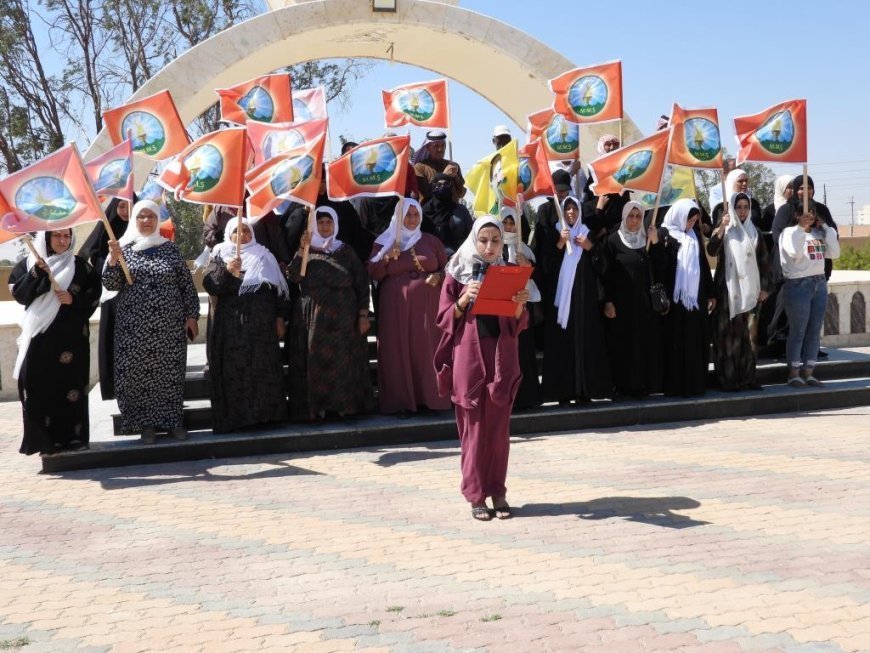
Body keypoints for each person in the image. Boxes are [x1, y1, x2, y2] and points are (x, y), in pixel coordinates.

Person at [434, 216, 530, 521]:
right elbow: (443, 319)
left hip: (501, 357)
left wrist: (519, 305)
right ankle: (475, 495)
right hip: (469, 358)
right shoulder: (456, 273)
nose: (489, 247)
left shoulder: (508, 273)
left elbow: (518, 325)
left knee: (499, 432)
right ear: (474, 240)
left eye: (495, 241)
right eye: (484, 240)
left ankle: (497, 491)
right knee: (473, 430)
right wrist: (464, 299)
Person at [103, 200, 201, 443]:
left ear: (158, 220)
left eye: (151, 217)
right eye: (141, 217)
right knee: (137, 375)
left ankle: (172, 422)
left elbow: (186, 286)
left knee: (169, 373)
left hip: (169, 327)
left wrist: (192, 316)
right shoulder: (123, 249)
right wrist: (113, 260)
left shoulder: (171, 249)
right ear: (134, 220)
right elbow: (111, 284)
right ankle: (145, 425)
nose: (146, 221)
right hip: (133, 328)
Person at [10, 229, 100, 455]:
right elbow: (19, 294)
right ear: (47, 238)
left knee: (71, 388)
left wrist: (73, 299)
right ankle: (44, 442)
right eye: (57, 236)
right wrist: (36, 274)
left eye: (66, 236)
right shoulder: (30, 264)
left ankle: (72, 439)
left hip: (72, 341)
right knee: (36, 385)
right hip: (40, 338)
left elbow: (94, 295)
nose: (62, 241)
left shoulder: (80, 267)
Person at [203, 217, 290, 432]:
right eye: (236, 232)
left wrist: (280, 318)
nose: (242, 236)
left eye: (246, 231)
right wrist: (229, 271)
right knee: (234, 371)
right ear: (229, 234)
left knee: (262, 369)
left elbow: (280, 292)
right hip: (230, 326)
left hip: (261, 327)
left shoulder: (264, 255)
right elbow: (211, 285)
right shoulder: (219, 254)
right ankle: (236, 419)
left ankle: (265, 417)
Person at [286, 207, 373, 420]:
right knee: (315, 363)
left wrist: (363, 315)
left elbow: (362, 284)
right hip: (313, 319)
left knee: (343, 363)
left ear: (335, 224)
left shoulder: (346, 251)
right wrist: (301, 249)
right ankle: (317, 408)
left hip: (344, 320)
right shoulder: (307, 250)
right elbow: (294, 277)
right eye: (321, 223)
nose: (325, 227)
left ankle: (345, 405)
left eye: (329, 222)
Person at [368, 199, 451, 416]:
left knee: (427, 348)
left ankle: (431, 398)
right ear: (399, 217)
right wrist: (387, 257)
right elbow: (373, 273)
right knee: (397, 349)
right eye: (408, 215)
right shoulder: (385, 242)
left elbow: (449, 270)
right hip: (395, 304)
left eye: (416, 215)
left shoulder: (431, 241)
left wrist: (438, 276)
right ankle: (401, 402)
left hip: (427, 304)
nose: (412, 219)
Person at [540, 196, 612, 403]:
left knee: (585, 343)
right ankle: (563, 392)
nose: (571, 212)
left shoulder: (586, 234)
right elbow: (546, 267)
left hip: (584, 302)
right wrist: (560, 244)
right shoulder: (555, 233)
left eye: (574, 208)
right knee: (563, 345)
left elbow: (604, 266)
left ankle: (584, 390)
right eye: (567, 209)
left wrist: (590, 248)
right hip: (561, 303)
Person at [707, 192, 772, 390]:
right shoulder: (725, 230)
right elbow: (711, 250)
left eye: (746, 207)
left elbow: (764, 263)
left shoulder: (755, 233)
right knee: (727, 337)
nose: (742, 211)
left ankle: (747, 378)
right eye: (738, 207)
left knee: (748, 337)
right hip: (727, 291)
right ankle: (728, 380)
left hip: (751, 292)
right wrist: (722, 229)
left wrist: (766, 289)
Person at [602, 201, 665, 397]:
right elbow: (606, 273)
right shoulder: (613, 241)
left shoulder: (646, 240)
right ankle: (622, 385)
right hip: (620, 306)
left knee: (642, 344)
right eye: (631, 216)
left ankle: (642, 385)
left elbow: (660, 269)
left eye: (638, 217)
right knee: (622, 344)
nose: (635, 220)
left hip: (643, 305)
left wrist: (655, 244)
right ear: (624, 217)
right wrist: (608, 301)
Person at [778, 189, 840, 387]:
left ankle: (809, 372)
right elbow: (795, 253)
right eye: (806, 212)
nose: (810, 216)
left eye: (813, 212)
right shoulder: (789, 233)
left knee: (814, 331)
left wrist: (827, 228)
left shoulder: (818, 233)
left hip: (819, 284)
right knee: (798, 330)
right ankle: (794, 372)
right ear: (797, 215)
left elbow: (835, 253)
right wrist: (800, 228)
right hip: (798, 285)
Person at [659, 199, 715, 397]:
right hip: (674, 299)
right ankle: (675, 386)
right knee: (675, 341)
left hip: (695, 298)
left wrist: (710, 292)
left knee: (695, 340)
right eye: (688, 220)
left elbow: (703, 264)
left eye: (693, 221)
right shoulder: (664, 234)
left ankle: (695, 384)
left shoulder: (693, 236)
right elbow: (660, 266)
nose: (690, 224)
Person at [78, 197, 131, 399]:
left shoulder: (144, 230)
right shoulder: (106, 233)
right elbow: (96, 260)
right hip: (114, 298)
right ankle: (114, 386)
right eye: (121, 206)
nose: (126, 211)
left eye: (130, 206)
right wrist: (112, 261)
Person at [501, 207, 542, 409]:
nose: (508, 227)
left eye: (512, 223)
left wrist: (527, 266)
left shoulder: (524, 249)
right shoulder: (494, 246)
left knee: (523, 353)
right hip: (499, 311)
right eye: (505, 223)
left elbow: (538, 278)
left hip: (522, 310)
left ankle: (526, 398)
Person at [581, 134, 629, 238]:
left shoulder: (623, 174)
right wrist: (599, 207)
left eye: (615, 144)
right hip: (597, 230)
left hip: (617, 231)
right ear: (601, 147)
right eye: (608, 144)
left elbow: (625, 207)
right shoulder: (594, 174)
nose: (612, 147)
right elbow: (587, 205)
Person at [420, 172, 473, 256]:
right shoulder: (423, 212)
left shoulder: (460, 210)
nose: (442, 187)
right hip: (431, 257)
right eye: (439, 184)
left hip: (458, 255)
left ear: (450, 186)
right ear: (433, 186)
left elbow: (471, 234)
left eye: (446, 184)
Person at [413, 130, 465, 203]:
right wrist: (444, 176)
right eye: (436, 146)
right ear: (428, 147)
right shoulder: (419, 168)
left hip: (452, 211)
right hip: (431, 212)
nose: (440, 149)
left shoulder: (453, 165)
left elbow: (461, 193)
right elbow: (426, 193)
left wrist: (455, 176)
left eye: (442, 145)